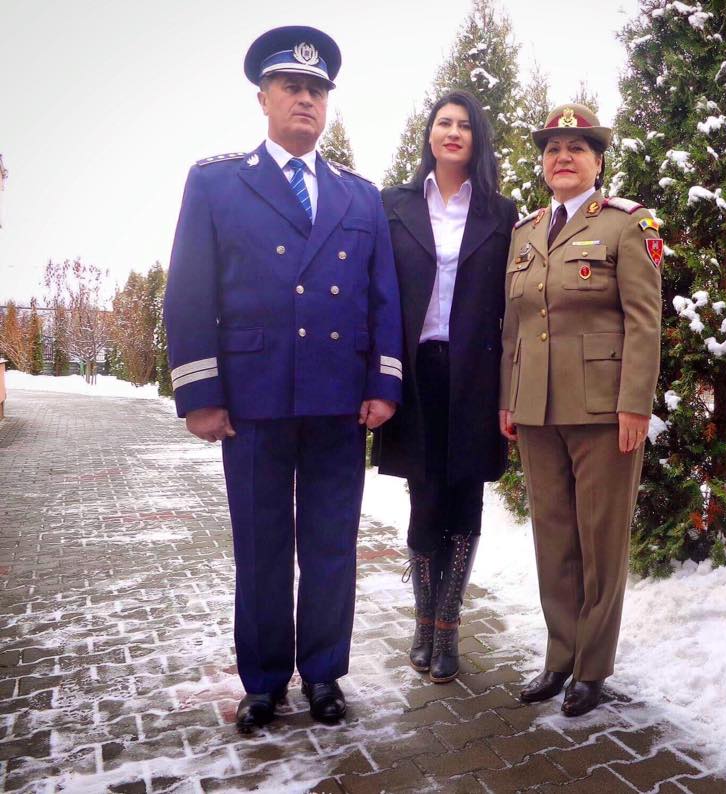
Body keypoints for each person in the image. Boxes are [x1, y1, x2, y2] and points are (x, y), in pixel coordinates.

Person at [163, 26, 402, 732]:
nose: (305, 100)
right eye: (292, 88)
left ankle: (324, 674)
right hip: (254, 400)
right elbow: (190, 291)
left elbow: (383, 297)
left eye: (316, 91)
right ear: (264, 99)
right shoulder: (217, 182)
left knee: (331, 544)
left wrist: (383, 382)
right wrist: (200, 394)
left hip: (336, 401)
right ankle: (264, 681)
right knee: (262, 546)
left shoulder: (359, 196)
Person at [499, 103, 663, 716]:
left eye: (576, 148)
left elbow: (644, 321)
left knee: (600, 541)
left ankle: (592, 668)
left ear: (598, 162)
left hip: (602, 410)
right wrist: (508, 399)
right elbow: (514, 328)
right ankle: (559, 657)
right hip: (537, 410)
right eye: (552, 149)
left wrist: (635, 405)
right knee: (553, 538)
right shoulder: (525, 233)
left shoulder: (627, 224)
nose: (562, 157)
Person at [374, 90, 517, 683]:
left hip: (476, 374)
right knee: (425, 496)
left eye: (464, 125)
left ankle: (449, 628)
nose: (453, 132)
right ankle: (423, 623)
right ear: (429, 134)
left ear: (477, 139)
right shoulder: (394, 205)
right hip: (417, 369)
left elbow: (513, 303)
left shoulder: (502, 213)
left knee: (466, 496)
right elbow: (377, 293)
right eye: (444, 122)